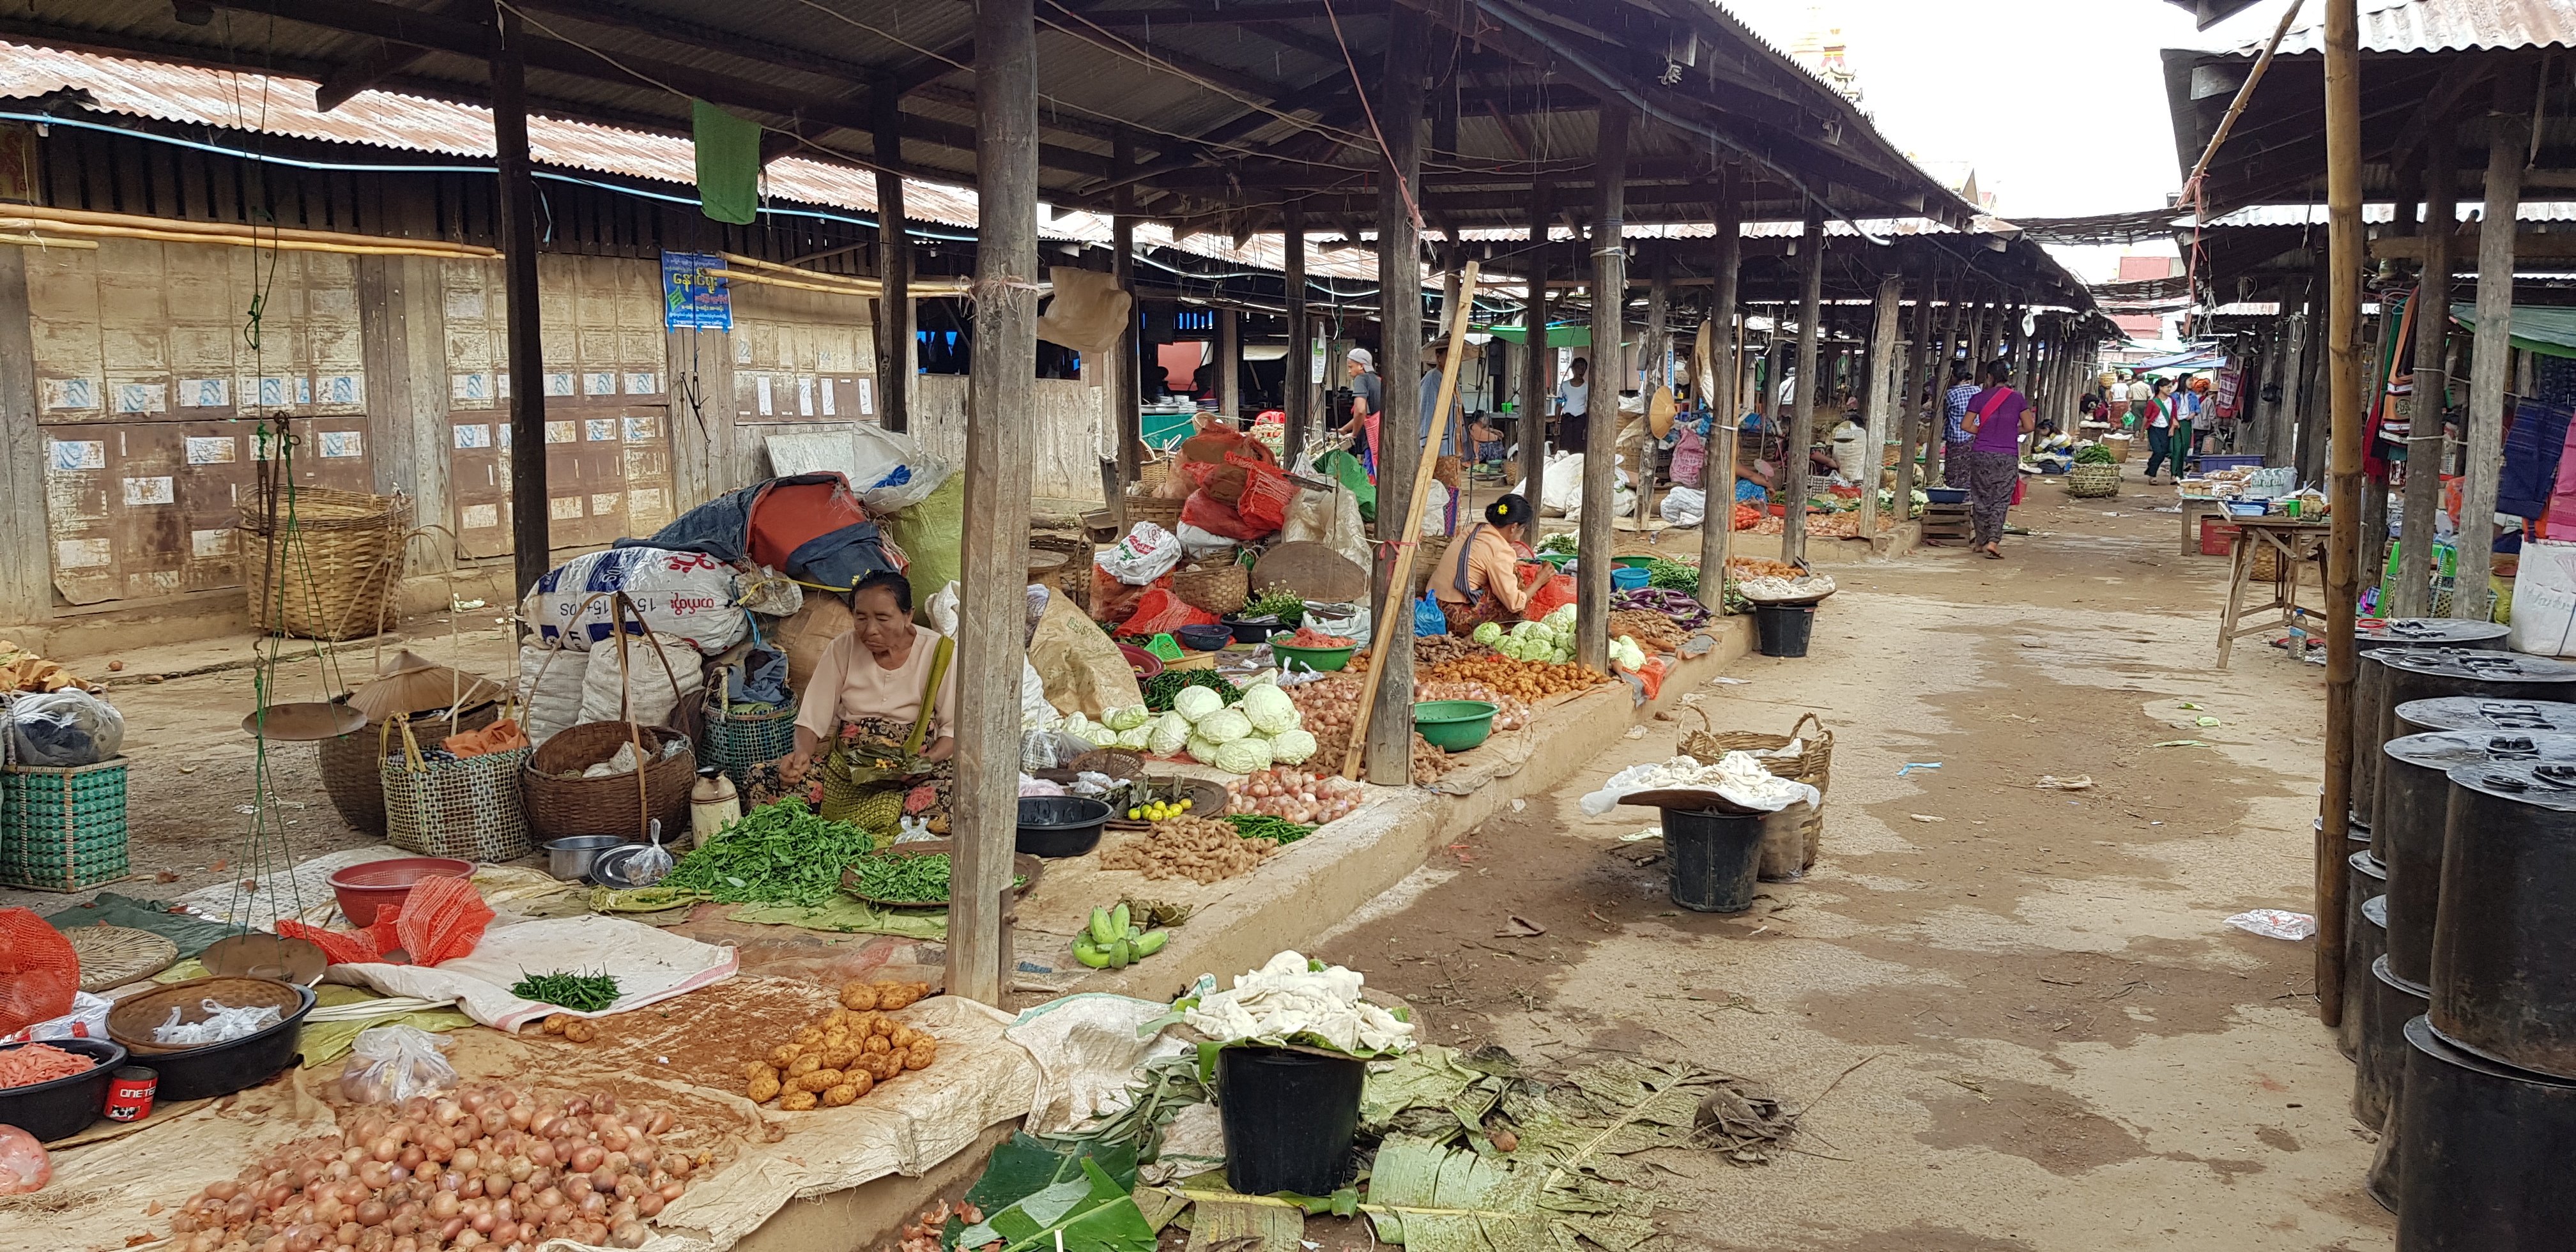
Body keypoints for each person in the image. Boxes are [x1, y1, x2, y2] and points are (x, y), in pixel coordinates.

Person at [749, 571, 958, 841]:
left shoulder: (938, 652)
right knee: (762, 778)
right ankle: (877, 827)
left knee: (959, 792)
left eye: (883, 619)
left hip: (911, 775)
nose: (870, 629)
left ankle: (878, 827)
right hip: (846, 774)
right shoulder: (842, 648)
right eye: (861, 618)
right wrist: (801, 756)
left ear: (908, 616)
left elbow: (953, 730)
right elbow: (812, 718)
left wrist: (921, 764)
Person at [1429, 493, 1551, 634]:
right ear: (1514, 527)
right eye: (1523, 529)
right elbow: (1515, 604)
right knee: (1514, 583)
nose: (1521, 534)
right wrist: (1539, 581)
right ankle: (1485, 634)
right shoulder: (1501, 550)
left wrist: (1511, 565)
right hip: (1456, 617)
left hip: (1434, 602)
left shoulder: (1476, 528)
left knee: (1508, 574)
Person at [1961, 362, 2033, 559]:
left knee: (1981, 497)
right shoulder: (2017, 398)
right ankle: (1993, 541)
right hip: (2007, 456)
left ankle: (1979, 541)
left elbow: (1966, 426)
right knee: (2000, 499)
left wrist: (1984, 431)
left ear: (1989, 377)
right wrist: (2010, 432)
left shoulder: (1978, 397)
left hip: (1981, 454)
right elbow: (2029, 426)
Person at [1940, 365, 1980, 487]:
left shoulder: (1950, 394)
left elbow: (1944, 414)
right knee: (1969, 469)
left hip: (1956, 437)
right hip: (1974, 435)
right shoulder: (1977, 390)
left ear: (1953, 377)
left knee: (1954, 470)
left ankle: (1954, 495)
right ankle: (1968, 496)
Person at [1345, 347, 1383, 466]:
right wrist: (1344, 429)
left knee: (1370, 475)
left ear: (1361, 366)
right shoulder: (1377, 380)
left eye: (1351, 367)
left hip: (1369, 439)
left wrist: (1354, 434)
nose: (1349, 371)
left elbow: (1361, 411)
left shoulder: (1361, 379)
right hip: (1379, 436)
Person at [2140, 377, 2180, 482]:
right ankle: (2153, 476)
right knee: (2158, 451)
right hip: (2154, 429)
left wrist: (2172, 428)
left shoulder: (2172, 401)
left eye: (2170, 387)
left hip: (2166, 429)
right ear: (2161, 388)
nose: (2169, 389)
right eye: (2168, 387)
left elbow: (2173, 416)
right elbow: (2146, 417)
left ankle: (2151, 467)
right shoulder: (2153, 402)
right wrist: (2142, 432)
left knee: (2163, 452)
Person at [1556, 356, 1591, 453]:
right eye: (1578, 368)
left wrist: (1586, 426)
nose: (1581, 370)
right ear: (1573, 369)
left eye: (1583, 368)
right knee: (1565, 447)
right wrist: (1556, 423)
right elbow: (1559, 404)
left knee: (1579, 448)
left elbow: (1589, 407)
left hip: (1580, 420)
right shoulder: (1565, 385)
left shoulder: (1587, 387)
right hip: (1567, 420)